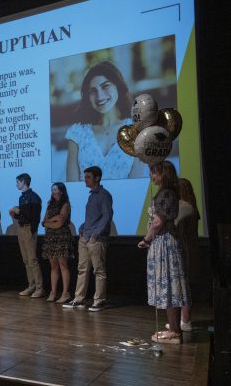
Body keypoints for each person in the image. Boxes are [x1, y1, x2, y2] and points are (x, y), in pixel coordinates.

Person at [138, 161, 190, 344]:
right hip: (163, 243)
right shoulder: (167, 192)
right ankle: (174, 329)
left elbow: (158, 222)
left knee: (169, 285)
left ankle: (175, 331)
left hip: (165, 243)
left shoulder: (166, 193)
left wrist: (146, 239)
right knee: (168, 286)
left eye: (154, 172)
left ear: (163, 174)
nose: (151, 176)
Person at [65, 61, 144, 181]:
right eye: (92, 90)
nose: (99, 96)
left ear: (118, 86)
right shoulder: (76, 133)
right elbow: (71, 186)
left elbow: (136, 183)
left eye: (105, 86)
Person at [63, 166, 113, 311]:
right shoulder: (91, 195)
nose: (85, 179)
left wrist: (95, 235)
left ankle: (99, 301)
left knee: (99, 270)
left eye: (88, 177)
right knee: (82, 269)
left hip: (96, 238)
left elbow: (107, 216)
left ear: (97, 178)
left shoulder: (104, 195)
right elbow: (92, 217)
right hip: (85, 237)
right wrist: (82, 228)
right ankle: (78, 299)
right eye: (85, 177)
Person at [168, 178, 199, 331]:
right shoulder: (192, 208)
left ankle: (185, 320)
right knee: (185, 285)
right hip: (191, 248)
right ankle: (184, 319)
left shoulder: (185, 208)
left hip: (184, 249)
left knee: (183, 285)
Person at [9, 173, 44, 298]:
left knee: (32, 260)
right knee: (26, 260)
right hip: (21, 228)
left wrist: (31, 230)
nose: (16, 184)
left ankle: (39, 288)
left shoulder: (34, 197)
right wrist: (15, 214)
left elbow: (35, 217)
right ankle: (32, 285)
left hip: (29, 229)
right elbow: (23, 215)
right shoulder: (22, 197)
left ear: (24, 181)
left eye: (18, 182)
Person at [41, 182, 73, 303]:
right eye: (52, 190)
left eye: (55, 189)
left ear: (61, 191)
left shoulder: (65, 205)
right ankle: (53, 292)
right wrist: (53, 219)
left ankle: (65, 293)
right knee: (53, 266)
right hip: (50, 237)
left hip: (61, 237)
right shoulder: (50, 204)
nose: (53, 192)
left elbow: (59, 224)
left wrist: (48, 223)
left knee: (63, 265)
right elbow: (43, 222)